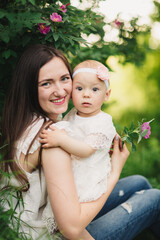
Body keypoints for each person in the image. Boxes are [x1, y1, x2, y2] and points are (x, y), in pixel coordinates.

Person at [0, 44, 160, 240]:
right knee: (155, 198)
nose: (60, 91)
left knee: (139, 182)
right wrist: (115, 171)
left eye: (64, 79)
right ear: (30, 89)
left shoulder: (26, 121)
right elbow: (72, 229)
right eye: (46, 83)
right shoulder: (53, 137)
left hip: (55, 215)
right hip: (51, 233)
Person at [39, 59, 117, 203]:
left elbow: (86, 150)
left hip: (88, 179)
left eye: (95, 89)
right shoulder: (73, 114)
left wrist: (61, 139)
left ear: (106, 94)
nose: (86, 95)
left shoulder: (103, 122)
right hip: (70, 174)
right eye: (79, 88)